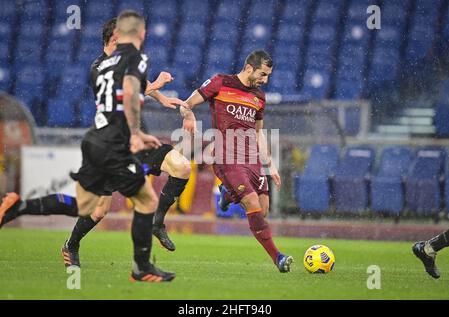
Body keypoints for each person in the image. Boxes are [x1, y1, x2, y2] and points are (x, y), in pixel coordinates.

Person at [0, 18, 190, 255]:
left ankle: (157, 222)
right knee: (97, 210)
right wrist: (156, 85)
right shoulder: (98, 68)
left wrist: (162, 98)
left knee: (181, 167)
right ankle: (68, 242)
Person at [180, 50, 293, 273]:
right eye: (263, 74)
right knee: (251, 203)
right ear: (249, 68)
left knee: (262, 210)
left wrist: (269, 163)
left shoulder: (259, 97)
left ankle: (227, 193)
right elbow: (187, 103)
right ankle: (278, 257)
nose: (265, 80)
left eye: (268, 76)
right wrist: (189, 115)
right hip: (226, 157)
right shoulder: (220, 82)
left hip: (251, 159)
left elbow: (258, 132)